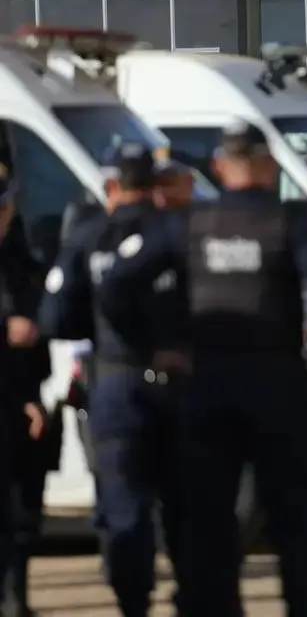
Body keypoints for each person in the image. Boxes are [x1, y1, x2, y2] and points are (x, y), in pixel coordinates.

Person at [98, 121, 307, 617]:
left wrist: (153, 347)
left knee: (209, 524)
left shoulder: (188, 224)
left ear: (218, 166)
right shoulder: (291, 221)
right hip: (276, 388)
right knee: (293, 524)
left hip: (207, 390)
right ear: (269, 166)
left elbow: (115, 288)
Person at [37, 143, 188, 617]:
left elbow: (56, 318)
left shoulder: (88, 235)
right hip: (183, 382)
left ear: (110, 186)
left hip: (118, 380)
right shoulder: (182, 230)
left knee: (124, 501)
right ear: (156, 183)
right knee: (188, 499)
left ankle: (133, 601)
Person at [0, 206, 47, 617]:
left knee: (21, 511)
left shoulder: (21, 263)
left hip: (21, 402)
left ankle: (17, 599)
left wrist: (29, 397)